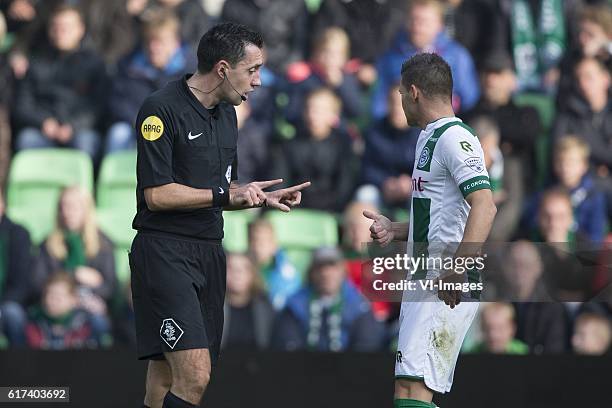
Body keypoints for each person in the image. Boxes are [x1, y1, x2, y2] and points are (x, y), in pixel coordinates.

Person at [129, 22, 310, 408]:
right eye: (253, 69)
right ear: (224, 69)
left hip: (210, 252)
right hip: (165, 253)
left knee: (165, 375)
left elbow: (219, 192)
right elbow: (157, 195)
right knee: (195, 375)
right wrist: (225, 193)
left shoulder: (228, 114)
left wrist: (255, 197)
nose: (259, 81)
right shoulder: (160, 109)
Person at [364, 53, 496, 408]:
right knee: (410, 390)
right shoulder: (429, 138)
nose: (400, 101)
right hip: (426, 276)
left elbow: (485, 205)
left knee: (412, 390)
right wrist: (396, 229)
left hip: (444, 279)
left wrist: (457, 267)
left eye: (401, 94)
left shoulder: (455, 137)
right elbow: (444, 213)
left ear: (414, 91)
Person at [13, 4, 106, 159]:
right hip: (43, 130)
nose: (60, 33)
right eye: (56, 27)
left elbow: (98, 107)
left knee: (87, 143)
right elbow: (23, 105)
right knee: (26, 140)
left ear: (80, 29)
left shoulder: (95, 64)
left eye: (67, 27)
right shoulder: (35, 63)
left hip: (79, 131)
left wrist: (73, 126)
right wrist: (44, 122)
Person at [106, 9, 196, 153]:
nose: (154, 48)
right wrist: (144, 124)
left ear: (176, 43)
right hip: (136, 128)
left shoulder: (193, 70)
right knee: (118, 134)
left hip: (177, 131)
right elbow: (119, 102)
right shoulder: (128, 66)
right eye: (149, 41)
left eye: (160, 42)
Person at [372, 0, 480, 119]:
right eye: (413, 19)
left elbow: (469, 99)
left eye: (424, 22)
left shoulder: (457, 56)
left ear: (439, 24)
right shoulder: (391, 57)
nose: (417, 27)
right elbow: (378, 103)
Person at [271, 246, 385, 352]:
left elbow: (367, 346)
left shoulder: (360, 306)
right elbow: (288, 345)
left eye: (332, 266)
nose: (325, 273)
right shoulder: (294, 306)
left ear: (343, 272)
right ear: (311, 273)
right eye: (320, 267)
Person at [25, 272, 111, 349]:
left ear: (73, 300)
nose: (54, 301)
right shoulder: (35, 320)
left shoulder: (85, 323)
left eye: (59, 296)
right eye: (50, 295)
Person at [221, 252, 275, 350]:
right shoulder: (211, 308)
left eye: (244, 268)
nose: (237, 274)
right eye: (230, 268)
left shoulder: (265, 307)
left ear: (253, 274)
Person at [247, 218, 300, 311]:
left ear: (273, 245)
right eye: (253, 240)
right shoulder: (244, 266)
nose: (256, 247)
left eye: (262, 242)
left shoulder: (286, 271)